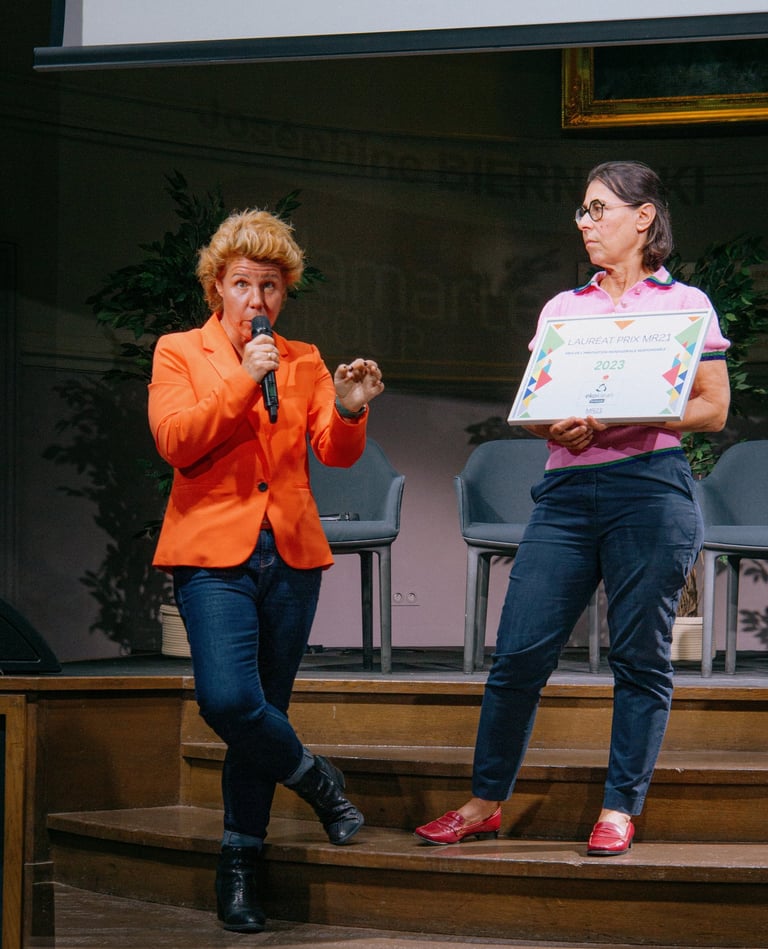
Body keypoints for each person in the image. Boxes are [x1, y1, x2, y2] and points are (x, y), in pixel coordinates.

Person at [415, 160, 731, 855]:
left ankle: (619, 808)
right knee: (518, 654)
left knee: (639, 657)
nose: (584, 223)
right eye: (581, 211)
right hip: (564, 495)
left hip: (648, 489)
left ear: (642, 217)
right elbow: (535, 406)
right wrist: (553, 424)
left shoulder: (685, 303)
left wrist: (629, 413)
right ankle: (484, 802)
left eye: (597, 209)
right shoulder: (564, 309)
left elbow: (713, 407)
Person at [148, 207, 384, 932]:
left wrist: (349, 410)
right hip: (210, 554)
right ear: (217, 286)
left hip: (290, 555)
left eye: (272, 286)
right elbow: (176, 441)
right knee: (228, 701)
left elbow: (333, 452)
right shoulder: (179, 351)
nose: (258, 299)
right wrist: (244, 381)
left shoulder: (303, 358)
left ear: (285, 292)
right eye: (244, 284)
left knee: (263, 715)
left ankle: (241, 864)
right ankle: (317, 778)